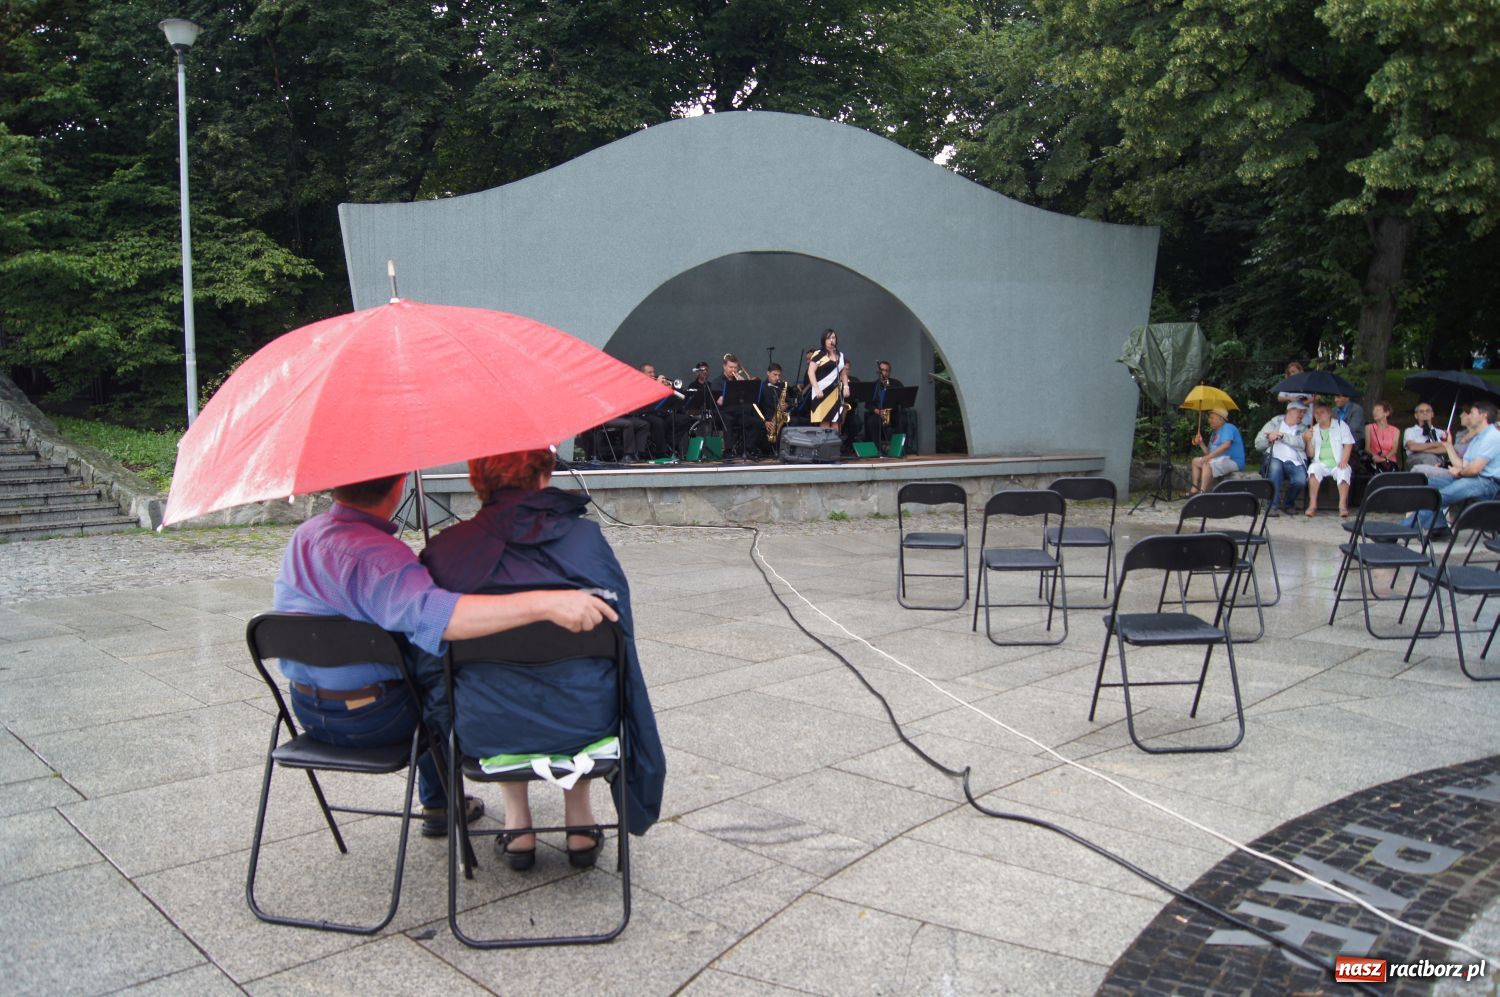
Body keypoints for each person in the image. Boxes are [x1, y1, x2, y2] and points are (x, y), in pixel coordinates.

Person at [272, 472, 617, 838]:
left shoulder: (303, 537)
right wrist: (545, 604)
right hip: (373, 720)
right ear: (399, 486)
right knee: (438, 677)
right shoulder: (382, 558)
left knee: (421, 664)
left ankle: (443, 803)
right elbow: (443, 620)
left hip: (307, 712)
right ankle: (439, 803)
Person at [418, 448, 666, 870]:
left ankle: (518, 825)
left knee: (492, 687)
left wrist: (446, 725)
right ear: (544, 475)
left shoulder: (444, 551)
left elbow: (429, 667)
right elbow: (622, 650)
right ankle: (580, 822)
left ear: (477, 480)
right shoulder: (587, 542)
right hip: (586, 723)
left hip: (486, 729)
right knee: (582, 679)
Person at [1406, 401, 1500, 535]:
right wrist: (1448, 445)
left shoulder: (1493, 436)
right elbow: (1462, 465)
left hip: (1488, 483)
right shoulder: (1477, 439)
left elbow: (1474, 470)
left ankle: (1401, 530)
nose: (1468, 416)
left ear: (1483, 416)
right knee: (1426, 486)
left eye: (1472, 413)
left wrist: (1460, 473)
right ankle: (1439, 528)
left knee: (1438, 497)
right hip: (1472, 479)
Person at [1255, 401, 1309, 515]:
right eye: (1299, 411)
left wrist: (1283, 436)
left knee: (1301, 481)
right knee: (1275, 469)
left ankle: (1288, 504)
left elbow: (1302, 444)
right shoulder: (1273, 424)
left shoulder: (1303, 428)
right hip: (1275, 457)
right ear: (1290, 410)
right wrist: (1269, 439)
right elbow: (1258, 444)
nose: (1302, 415)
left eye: (1304, 412)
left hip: (1295, 461)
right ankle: (1271, 507)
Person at [1305, 403, 1355, 517]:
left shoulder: (1341, 425)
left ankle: (1342, 506)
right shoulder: (1313, 429)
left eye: (1322, 412)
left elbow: (1348, 444)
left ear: (1329, 414)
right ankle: (1312, 505)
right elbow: (1310, 454)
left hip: (1338, 462)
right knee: (1312, 469)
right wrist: (1308, 441)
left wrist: (1344, 460)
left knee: (1344, 471)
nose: (1318, 415)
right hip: (1320, 463)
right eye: (1316, 413)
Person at [711, 353, 760, 457]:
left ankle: (746, 449)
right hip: (721, 414)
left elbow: (747, 399)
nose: (733, 370)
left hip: (736, 413)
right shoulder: (717, 382)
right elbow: (719, 402)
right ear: (724, 367)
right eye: (730, 367)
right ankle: (728, 451)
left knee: (756, 422)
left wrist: (743, 385)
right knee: (728, 419)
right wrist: (733, 390)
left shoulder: (737, 380)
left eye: (735, 367)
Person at [1188, 407, 1245, 495]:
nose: (1209, 420)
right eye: (1209, 418)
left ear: (1221, 419)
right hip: (1219, 460)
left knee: (1207, 464)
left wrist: (1208, 457)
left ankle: (1202, 492)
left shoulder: (1228, 427)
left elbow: (1226, 445)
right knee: (1195, 461)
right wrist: (1201, 443)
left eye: (1212, 418)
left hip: (1233, 461)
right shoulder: (1214, 434)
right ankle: (1194, 489)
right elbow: (1208, 453)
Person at [862, 360, 911, 450]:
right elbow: (868, 405)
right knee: (872, 422)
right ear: (878, 372)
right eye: (882, 370)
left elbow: (903, 399)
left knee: (902, 420)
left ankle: (899, 448)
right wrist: (877, 411)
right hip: (879, 413)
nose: (884, 373)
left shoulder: (897, 383)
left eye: (886, 370)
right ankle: (877, 449)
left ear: (889, 372)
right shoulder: (873, 385)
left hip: (893, 413)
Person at [807, 328, 850, 428]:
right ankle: (825, 439)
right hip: (821, 391)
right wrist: (816, 388)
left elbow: (843, 373)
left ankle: (835, 439)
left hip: (836, 392)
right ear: (824, 340)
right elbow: (811, 372)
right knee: (825, 422)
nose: (831, 340)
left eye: (833, 337)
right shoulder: (819, 354)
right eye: (828, 338)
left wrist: (846, 386)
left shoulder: (841, 355)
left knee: (836, 422)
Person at [637, 363, 679, 459]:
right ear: (642, 374)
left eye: (653, 372)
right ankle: (660, 452)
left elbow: (662, 401)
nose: (653, 374)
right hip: (644, 414)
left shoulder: (655, 384)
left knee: (681, 419)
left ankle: (672, 445)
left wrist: (667, 390)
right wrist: (657, 386)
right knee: (658, 422)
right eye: (649, 372)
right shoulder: (640, 385)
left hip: (658, 412)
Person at [1404, 402, 1448, 469]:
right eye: (1421, 411)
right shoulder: (1410, 431)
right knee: (1430, 458)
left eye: (1428, 411)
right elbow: (1412, 447)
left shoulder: (1440, 432)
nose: (1425, 413)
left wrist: (1420, 448)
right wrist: (1436, 444)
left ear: (1432, 414)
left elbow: (1445, 449)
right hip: (1416, 459)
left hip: (1438, 459)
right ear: (1416, 415)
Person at [757, 362, 791, 449]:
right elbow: (757, 408)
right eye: (775, 374)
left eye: (779, 375)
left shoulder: (782, 386)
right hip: (768, 418)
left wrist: (786, 405)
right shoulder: (762, 387)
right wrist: (764, 422)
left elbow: (788, 401)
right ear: (768, 373)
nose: (777, 378)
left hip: (781, 416)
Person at [1364, 401, 1400, 473]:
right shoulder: (1369, 428)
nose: (1374, 412)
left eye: (1378, 410)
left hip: (1390, 461)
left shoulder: (1395, 430)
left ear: (1386, 413)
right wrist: (1375, 456)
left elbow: (1394, 450)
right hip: (1375, 460)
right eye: (1374, 410)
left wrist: (1384, 459)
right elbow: (1367, 448)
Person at [1278, 360, 1313, 428]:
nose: (1292, 374)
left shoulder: (1307, 383)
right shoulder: (1288, 384)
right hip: (1293, 417)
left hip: (1307, 416)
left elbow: (1317, 397)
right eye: (1290, 372)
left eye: (1293, 371)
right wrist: (1290, 398)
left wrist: (1308, 401)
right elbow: (1279, 398)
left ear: (1300, 371)